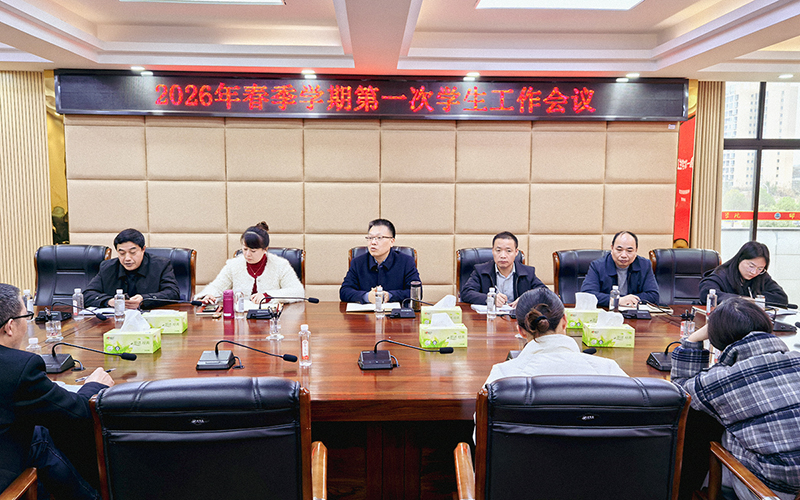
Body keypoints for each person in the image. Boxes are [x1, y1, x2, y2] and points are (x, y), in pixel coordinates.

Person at [671, 297, 800, 500]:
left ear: (717, 338)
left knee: (720, 430)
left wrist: (693, 339)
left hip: (772, 490)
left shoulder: (721, 380)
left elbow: (681, 394)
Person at [0, 284, 114, 498]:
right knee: (41, 437)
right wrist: (94, 385)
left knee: (35, 433)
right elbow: (75, 412)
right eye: (27, 316)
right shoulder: (19, 368)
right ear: (10, 327)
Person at [483, 287, 628, 385]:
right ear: (564, 322)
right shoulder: (608, 371)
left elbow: (482, 420)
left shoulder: (502, 377)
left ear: (521, 331)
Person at [196, 222, 305, 304]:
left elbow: (298, 291)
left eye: (253, 251)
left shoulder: (280, 265)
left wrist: (268, 296)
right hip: (240, 319)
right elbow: (217, 287)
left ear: (265, 249)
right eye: (245, 249)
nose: (247, 254)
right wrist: (209, 295)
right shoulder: (233, 265)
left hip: (270, 319)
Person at [83, 228, 180, 309]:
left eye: (132, 252)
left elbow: (173, 293)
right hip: (116, 320)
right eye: (122, 253)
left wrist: (144, 299)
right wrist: (109, 301)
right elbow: (87, 295)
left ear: (143, 249)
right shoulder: (107, 267)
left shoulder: (161, 265)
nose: (127, 258)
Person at [339, 219, 421, 304]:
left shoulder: (406, 262)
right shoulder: (358, 262)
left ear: (392, 241)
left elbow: (416, 292)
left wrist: (390, 296)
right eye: (370, 238)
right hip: (365, 312)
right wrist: (367, 296)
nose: (373, 242)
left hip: (396, 312)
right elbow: (344, 291)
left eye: (379, 238)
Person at [460, 231, 546, 307]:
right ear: (493, 251)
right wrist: (490, 299)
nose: (503, 256)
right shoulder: (481, 271)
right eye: (498, 250)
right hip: (489, 317)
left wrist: (526, 298)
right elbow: (466, 293)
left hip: (517, 318)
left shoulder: (528, 272)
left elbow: (545, 292)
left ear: (516, 252)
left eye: (508, 251)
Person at [580, 231, 659, 307]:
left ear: (636, 251)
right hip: (607, 312)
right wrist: (618, 300)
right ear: (612, 248)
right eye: (619, 250)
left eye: (629, 251)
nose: (623, 255)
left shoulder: (644, 265)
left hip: (634, 312)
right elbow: (587, 294)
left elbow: (653, 295)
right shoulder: (598, 266)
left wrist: (629, 300)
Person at [699, 241, 788, 306]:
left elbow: (782, 298)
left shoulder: (761, 275)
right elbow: (706, 294)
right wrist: (742, 300)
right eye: (751, 266)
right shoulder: (721, 274)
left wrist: (756, 300)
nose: (754, 272)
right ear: (740, 259)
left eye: (760, 268)